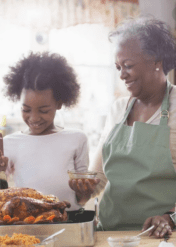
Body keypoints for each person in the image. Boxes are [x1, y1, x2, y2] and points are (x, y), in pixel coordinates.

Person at [71, 16, 176, 237]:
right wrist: (84, 188)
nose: (121, 75)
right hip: (110, 234)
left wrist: (170, 217)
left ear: (157, 61)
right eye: (118, 67)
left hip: (162, 237)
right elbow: (98, 177)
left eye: (128, 66)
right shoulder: (118, 109)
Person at [0, 52, 89, 215]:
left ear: (59, 104)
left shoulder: (77, 139)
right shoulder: (10, 143)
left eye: (43, 110)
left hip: (68, 221)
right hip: (26, 224)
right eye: (26, 110)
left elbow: (82, 198)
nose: (33, 118)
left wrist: (86, 188)